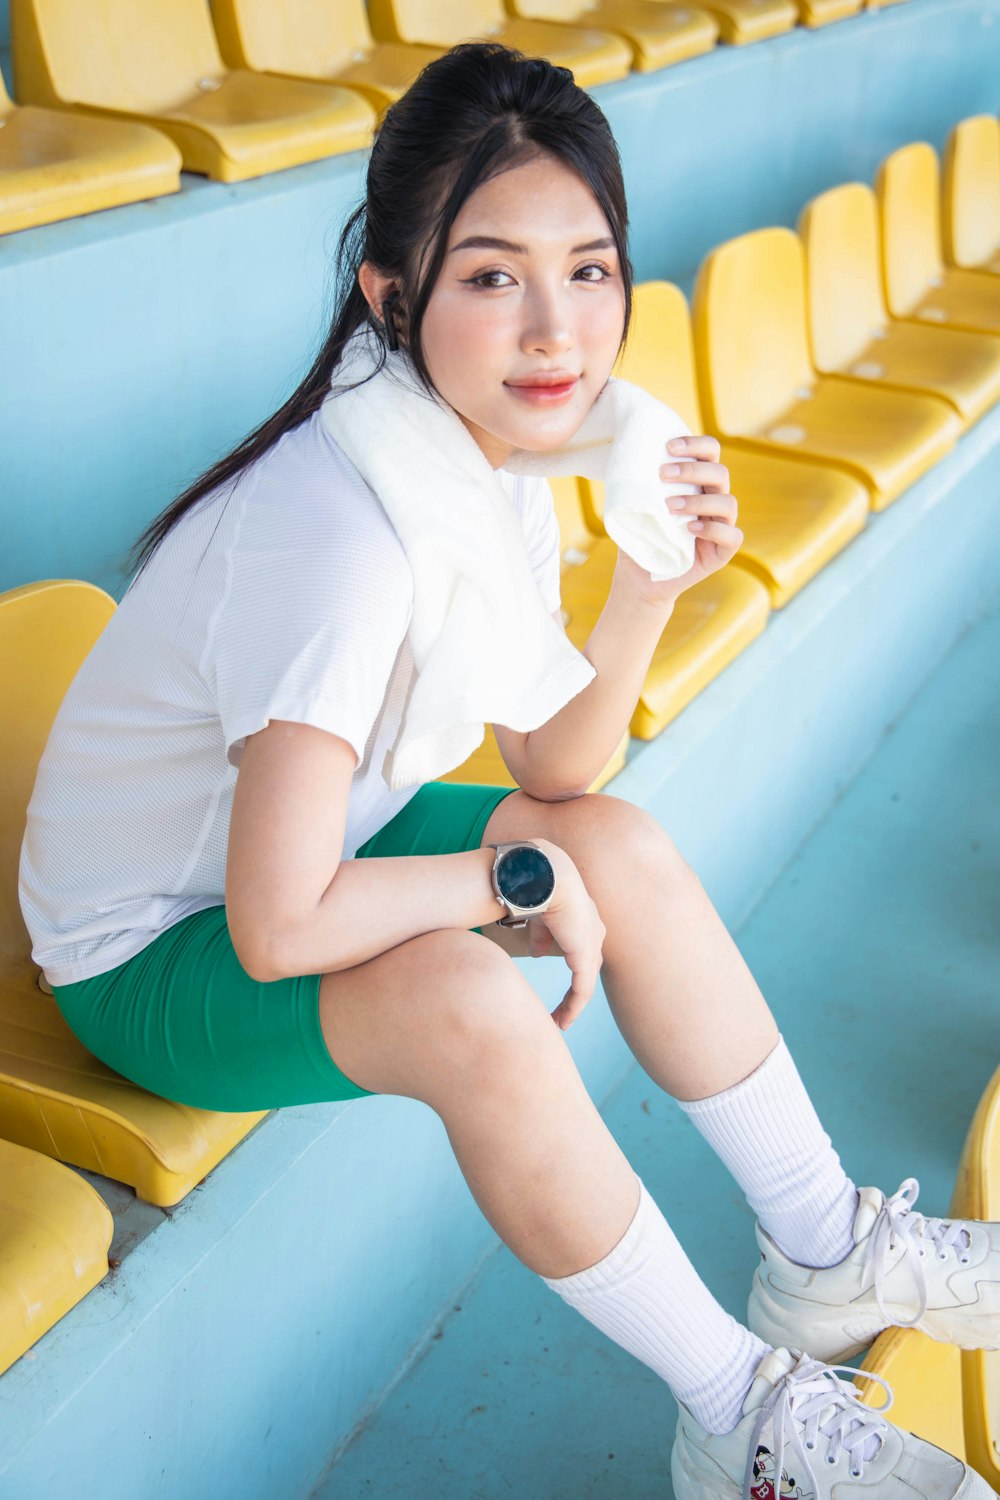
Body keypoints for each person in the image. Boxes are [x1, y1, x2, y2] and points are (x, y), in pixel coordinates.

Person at [18, 42, 1000, 1500]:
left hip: (304, 855)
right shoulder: (337, 539)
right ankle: (735, 1411)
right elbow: (280, 926)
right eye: (492, 276)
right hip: (152, 954)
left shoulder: (484, 453)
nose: (557, 329)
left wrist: (651, 583)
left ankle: (826, 1249)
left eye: (590, 269)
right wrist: (505, 884)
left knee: (624, 842)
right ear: (392, 296)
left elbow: (554, 757)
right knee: (476, 993)